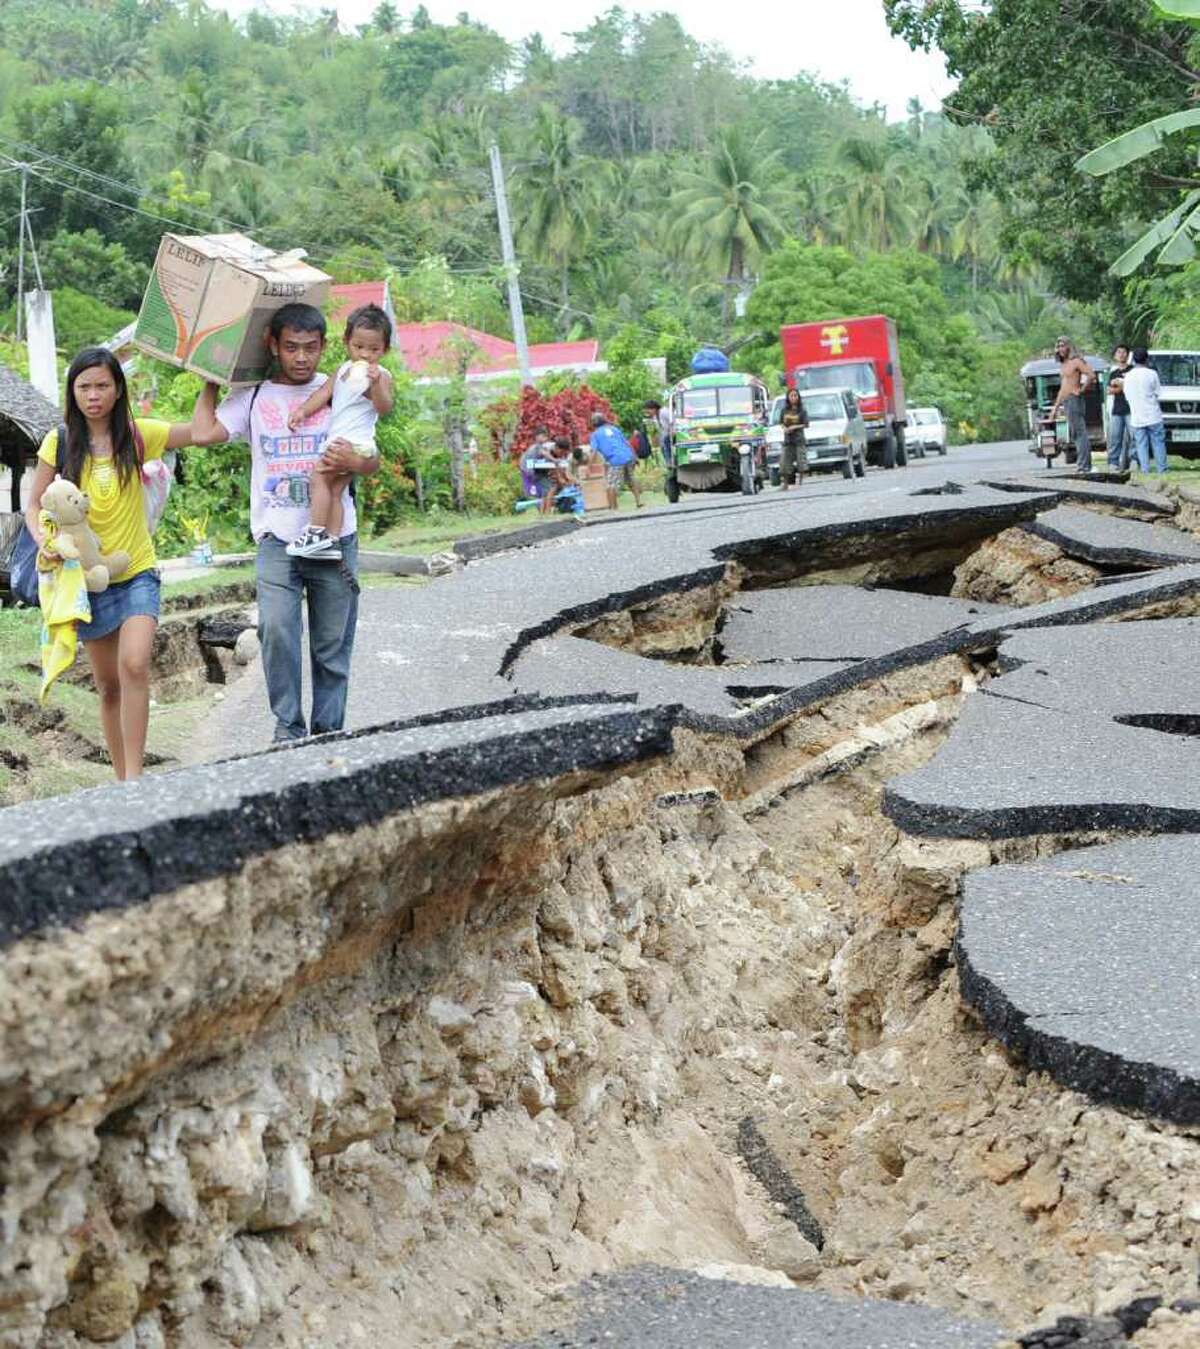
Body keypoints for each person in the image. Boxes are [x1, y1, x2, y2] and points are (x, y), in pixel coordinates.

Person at [191, 302, 378, 743]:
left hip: (335, 540)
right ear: (271, 344)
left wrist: (357, 461)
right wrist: (209, 384)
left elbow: (370, 456)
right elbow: (202, 435)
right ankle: (289, 729)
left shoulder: (344, 388)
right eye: (291, 347)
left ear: (324, 347)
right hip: (276, 541)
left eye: (310, 348)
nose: (301, 357)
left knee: (332, 646)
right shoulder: (253, 397)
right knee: (277, 633)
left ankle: (328, 733)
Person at [23, 348, 202, 780]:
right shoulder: (60, 441)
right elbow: (34, 505)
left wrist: (208, 377)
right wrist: (45, 541)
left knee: (135, 663)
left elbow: (203, 431)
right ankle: (121, 783)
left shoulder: (139, 436)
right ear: (73, 393)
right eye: (84, 387)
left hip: (137, 570)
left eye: (102, 385)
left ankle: (135, 780)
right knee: (107, 687)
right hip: (85, 582)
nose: (93, 395)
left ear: (118, 389)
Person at [286, 303, 394, 559]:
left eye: (374, 349)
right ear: (347, 342)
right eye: (359, 347)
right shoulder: (345, 369)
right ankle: (331, 541)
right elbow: (324, 393)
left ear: (385, 349)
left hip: (351, 443)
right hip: (352, 444)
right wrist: (303, 410)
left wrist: (376, 384)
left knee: (318, 478)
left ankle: (314, 532)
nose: (365, 354)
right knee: (335, 490)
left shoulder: (381, 375)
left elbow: (384, 407)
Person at [1048, 336, 1095, 472]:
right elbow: (1063, 389)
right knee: (1075, 433)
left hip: (1075, 399)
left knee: (1080, 432)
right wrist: (1055, 408)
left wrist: (1081, 390)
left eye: (1063, 345)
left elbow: (1091, 375)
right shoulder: (1063, 365)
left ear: (1069, 346)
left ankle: (1084, 465)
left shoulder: (1076, 361)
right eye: (1058, 346)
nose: (1060, 348)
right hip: (1067, 400)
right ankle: (1083, 464)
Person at [1122, 348, 1168, 474]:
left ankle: (1145, 469)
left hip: (1137, 416)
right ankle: (1162, 469)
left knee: (1141, 444)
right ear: (1147, 359)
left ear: (1133, 360)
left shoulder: (1128, 376)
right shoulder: (1152, 374)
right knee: (1158, 443)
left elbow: (1126, 396)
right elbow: (1158, 393)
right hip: (1153, 415)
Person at [588, 411, 644, 510]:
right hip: (628, 456)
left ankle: (613, 508)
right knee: (631, 479)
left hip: (616, 460)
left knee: (610, 484)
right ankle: (639, 501)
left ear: (593, 424)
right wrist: (635, 456)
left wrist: (589, 467)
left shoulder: (595, 435)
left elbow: (593, 452)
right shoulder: (614, 429)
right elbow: (627, 443)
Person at [1107, 344, 1134, 471]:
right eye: (1119, 352)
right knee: (1115, 437)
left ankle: (1135, 460)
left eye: (1124, 352)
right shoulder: (1113, 372)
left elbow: (1135, 388)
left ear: (1128, 355)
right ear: (1115, 355)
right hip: (1117, 410)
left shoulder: (1133, 370)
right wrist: (1123, 386)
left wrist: (1120, 385)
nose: (1121, 354)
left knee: (1134, 437)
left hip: (1131, 409)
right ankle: (1113, 462)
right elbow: (1109, 390)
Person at [779, 387, 808, 490]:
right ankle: (785, 484)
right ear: (788, 397)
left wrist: (795, 427)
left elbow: (806, 424)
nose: (793, 398)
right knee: (784, 463)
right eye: (791, 395)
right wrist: (785, 428)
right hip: (788, 440)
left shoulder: (802, 410)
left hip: (799, 439)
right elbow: (781, 423)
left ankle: (799, 483)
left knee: (801, 462)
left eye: (795, 395)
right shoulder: (784, 410)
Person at [644, 398, 672, 465]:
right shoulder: (655, 416)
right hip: (664, 438)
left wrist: (671, 431)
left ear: (654, 408)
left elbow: (673, 421)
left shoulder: (664, 412)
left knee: (666, 442)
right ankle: (669, 466)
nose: (648, 412)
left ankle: (670, 462)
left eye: (649, 410)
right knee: (662, 447)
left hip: (670, 436)